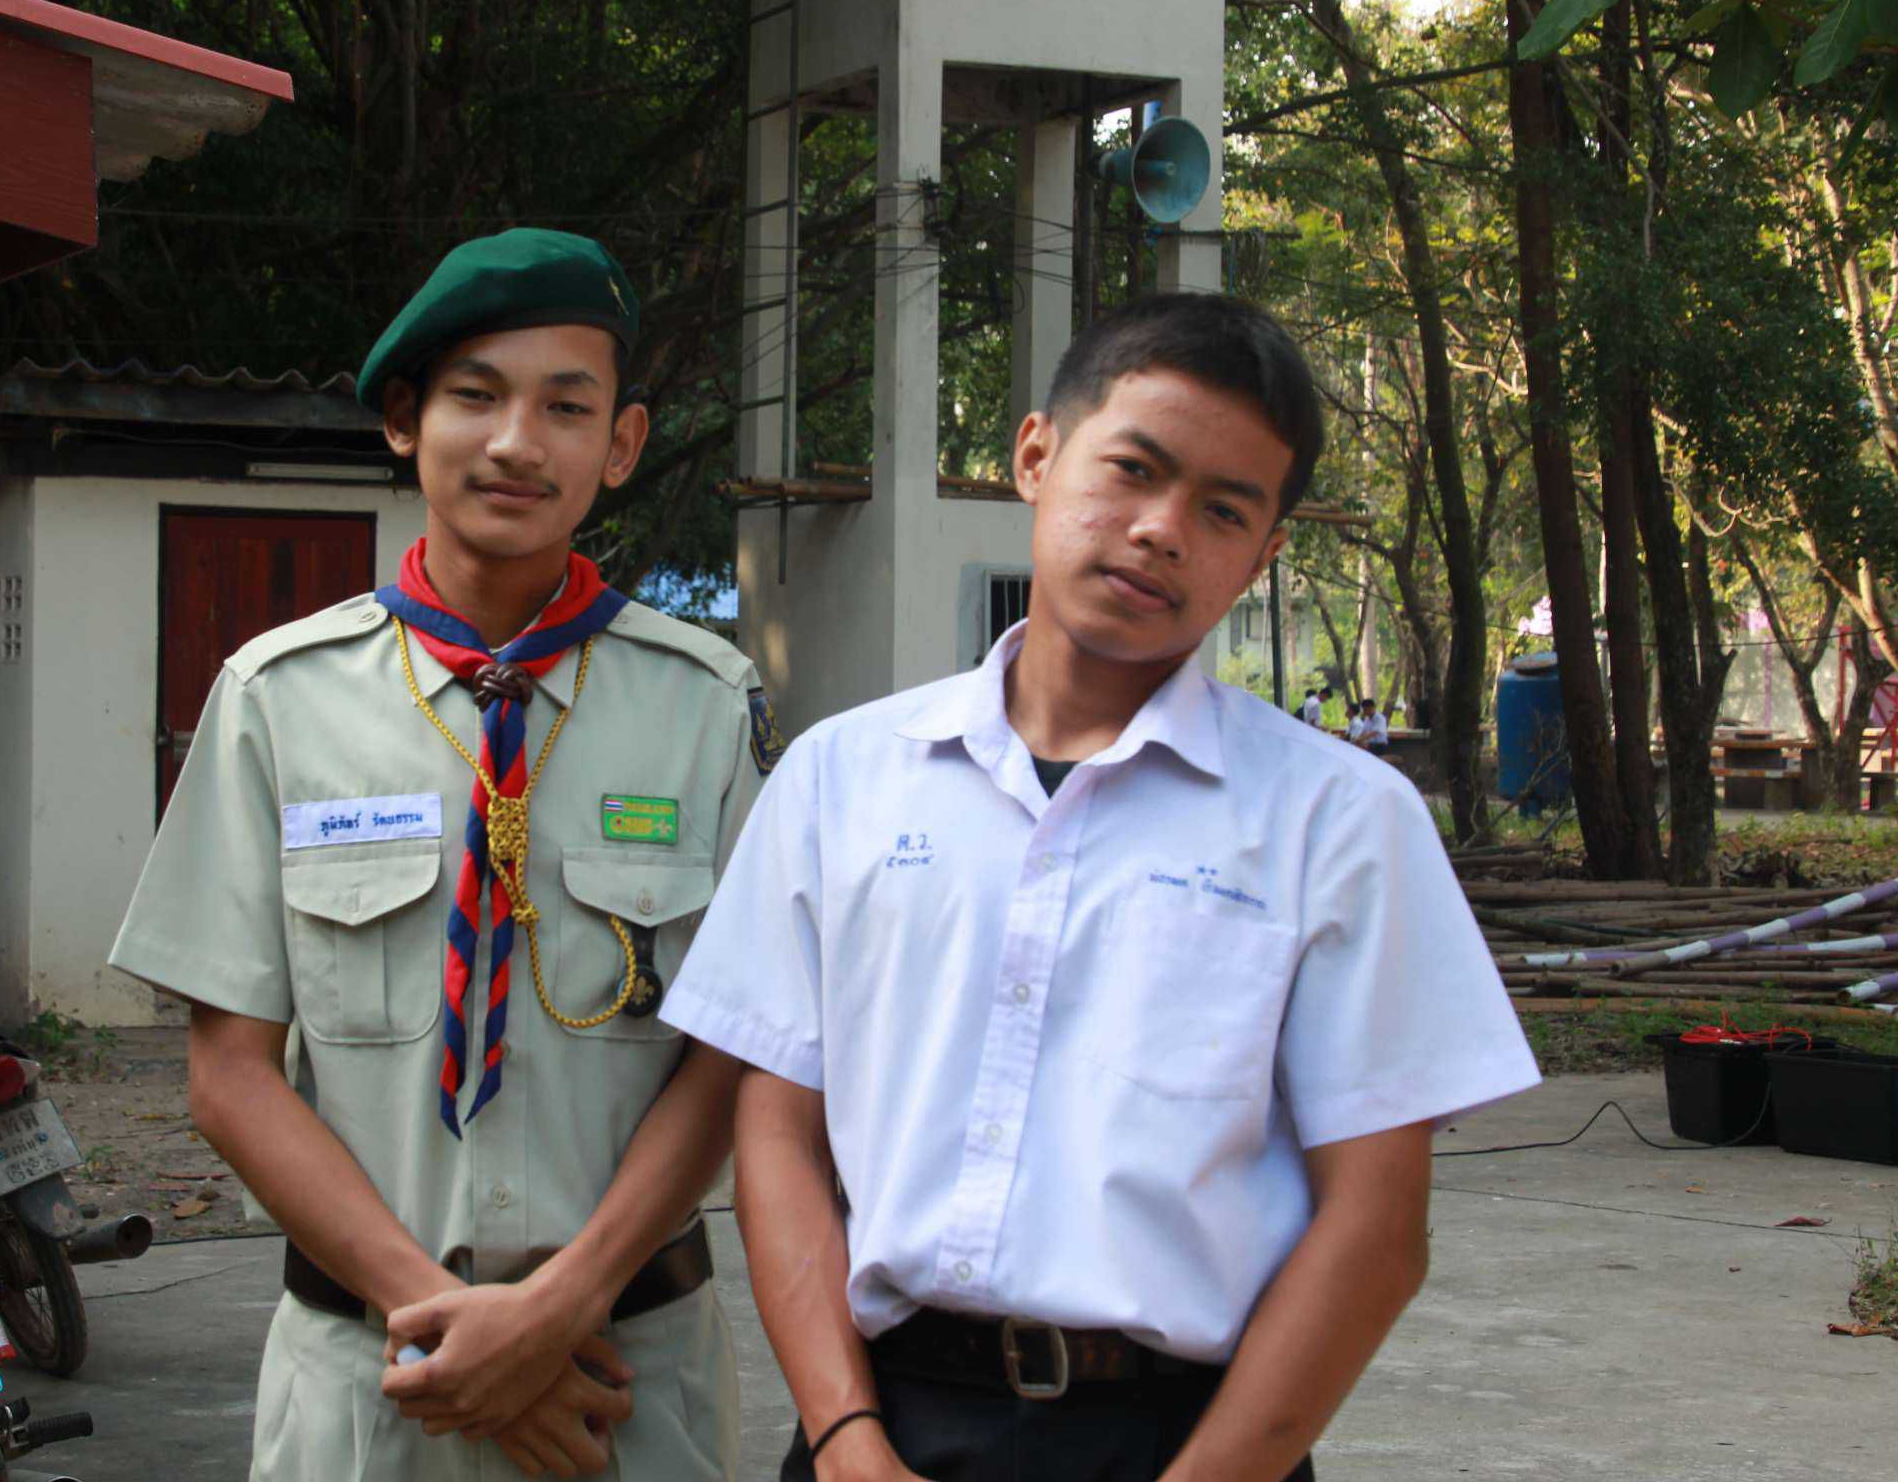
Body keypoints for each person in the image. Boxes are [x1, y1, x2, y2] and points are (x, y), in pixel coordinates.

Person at [659, 294, 1539, 1482]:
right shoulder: (841, 780)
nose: (1161, 530)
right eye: (1133, 470)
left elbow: (1376, 1230)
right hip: (884, 1423)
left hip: (1189, 1441)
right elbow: (778, 1132)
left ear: (1266, 553)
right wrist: (844, 1437)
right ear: (1036, 456)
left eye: (1224, 510)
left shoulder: (1339, 822)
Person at [109, 227, 775, 1481]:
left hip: (625, 1383)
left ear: (620, 444)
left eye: (565, 407)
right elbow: (230, 1074)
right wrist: (449, 1333)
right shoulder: (277, 700)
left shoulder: (704, 707)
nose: (517, 442)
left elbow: (732, 1054)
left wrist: (558, 1310)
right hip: (374, 1387)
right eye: (476, 396)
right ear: (405, 421)